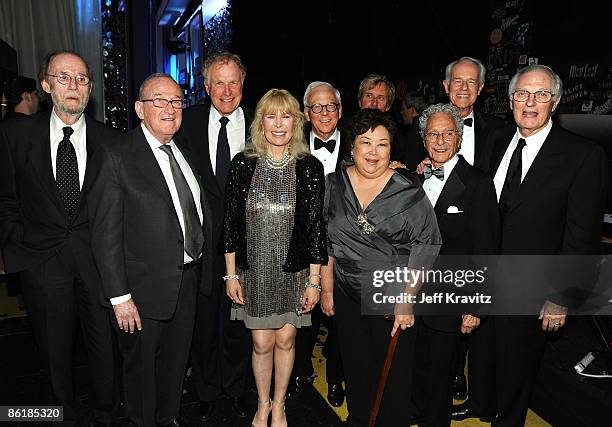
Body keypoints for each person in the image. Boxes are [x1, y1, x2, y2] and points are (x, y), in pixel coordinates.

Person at [0, 51, 119, 426]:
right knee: (53, 352)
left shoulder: (112, 141)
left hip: (98, 263)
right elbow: (5, 199)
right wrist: (17, 247)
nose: (74, 86)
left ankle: (106, 415)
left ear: (90, 89)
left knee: (105, 349)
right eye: (64, 77)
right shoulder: (15, 134)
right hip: (42, 261)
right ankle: (60, 417)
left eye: (82, 79)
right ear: (47, 85)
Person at [88, 73, 214, 427]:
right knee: (141, 373)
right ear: (139, 109)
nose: (170, 108)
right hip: (139, 292)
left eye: (176, 101)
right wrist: (119, 297)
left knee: (175, 365)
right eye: (159, 100)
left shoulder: (184, 153)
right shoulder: (115, 156)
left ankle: (168, 417)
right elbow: (103, 235)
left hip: (186, 282)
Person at [489, 64, 607, 426]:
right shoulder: (497, 143)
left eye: (541, 94)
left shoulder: (583, 156)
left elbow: (581, 237)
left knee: (516, 372)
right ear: (510, 101)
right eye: (522, 94)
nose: (530, 102)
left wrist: (560, 296)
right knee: (492, 362)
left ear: (554, 102)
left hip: (535, 289)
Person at [321, 108, 442, 426]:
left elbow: (427, 244)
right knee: (357, 366)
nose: (373, 152)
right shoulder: (333, 185)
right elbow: (326, 240)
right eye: (365, 142)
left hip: (392, 294)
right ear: (352, 146)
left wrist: (407, 299)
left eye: (382, 144)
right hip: (346, 292)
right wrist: (328, 289)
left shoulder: (408, 188)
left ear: (392, 149)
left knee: (394, 377)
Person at [223, 88, 327, 427]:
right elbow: (230, 225)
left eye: (286, 116)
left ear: (296, 122)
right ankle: (262, 404)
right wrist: (231, 275)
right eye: (271, 116)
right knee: (260, 342)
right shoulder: (243, 163)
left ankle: (280, 405)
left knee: (286, 338)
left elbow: (314, 229)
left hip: (294, 272)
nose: (278, 124)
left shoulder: (309, 167)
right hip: (253, 273)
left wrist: (314, 280)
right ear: (261, 122)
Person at [175, 51, 252, 421]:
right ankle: (205, 388)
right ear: (205, 87)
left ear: (243, 84)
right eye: (218, 82)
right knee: (203, 324)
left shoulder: (261, 124)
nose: (226, 90)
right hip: (201, 245)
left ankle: (236, 387)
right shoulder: (184, 122)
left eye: (233, 81)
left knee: (238, 322)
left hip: (249, 244)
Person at [412, 103, 500, 426]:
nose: (439, 140)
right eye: (432, 134)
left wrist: (476, 305)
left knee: (440, 376)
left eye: (448, 133)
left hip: (450, 299)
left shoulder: (477, 184)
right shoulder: (414, 179)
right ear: (424, 140)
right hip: (412, 295)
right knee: (416, 368)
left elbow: (486, 251)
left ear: (459, 139)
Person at [289, 81, 346, 406]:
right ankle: (300, 368)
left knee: (340, 319)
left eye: (330, 106)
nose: (324, 112)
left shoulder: (358, 146)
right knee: (305, 311)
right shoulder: (293, 149)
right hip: (304, 244)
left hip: (346, 246)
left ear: (339, 111)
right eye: (317, 107)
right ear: (307, 114)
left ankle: (337, 377)